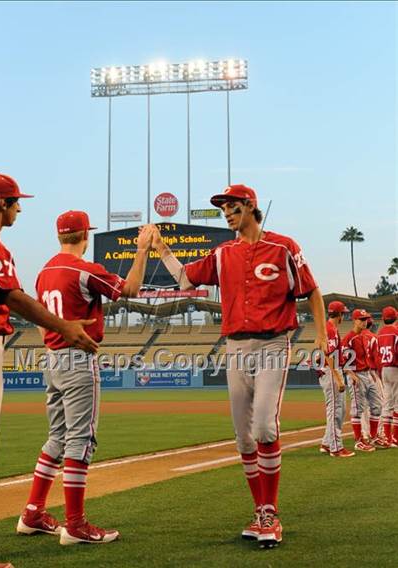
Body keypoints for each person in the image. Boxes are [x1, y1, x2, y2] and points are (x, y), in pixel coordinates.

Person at [151, 184, 327, 549]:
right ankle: (260, 510)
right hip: (235, 347)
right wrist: (162, 249)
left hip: (273, 343)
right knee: (243, 437)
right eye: (223, 209)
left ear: (250, 206)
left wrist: (323, 336)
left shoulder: (284, 247)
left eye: (232, 207)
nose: (227, 213)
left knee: (264, 426)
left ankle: (271, 512)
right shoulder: (222, 253)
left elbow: (311, 290)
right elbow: (186, 279)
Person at [0, 174, 98, 568]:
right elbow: (9, 296)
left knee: (53, 437)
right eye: (14, 202)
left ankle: (34, 513)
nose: (19, 208)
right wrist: (64, 326)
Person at [16, 211, 154, 546]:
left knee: (57, 438)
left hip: (51, 358)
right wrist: (143, 249)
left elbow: (41, 320)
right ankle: (75, 525)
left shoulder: (45, 270)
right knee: (81, 439)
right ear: (84, 235)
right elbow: (132, 288)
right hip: (78, 357)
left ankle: (33, 512)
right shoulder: (84, 269)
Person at [342, 309, 385, 452]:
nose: (364, 322)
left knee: (377, 406)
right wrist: (350, 373)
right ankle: (359, 441)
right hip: (356, 375)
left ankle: (373, 437)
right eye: (361, 319)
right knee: (357, 409)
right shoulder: (349, 338)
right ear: (354, 320)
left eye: (365, 319)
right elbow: (341, 358)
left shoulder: (363, 337)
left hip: (367, 374)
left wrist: (370, 372)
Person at [318, 301, 355, 457]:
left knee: (340, 410)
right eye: (343, 313)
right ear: (339, 314)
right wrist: (339, 379)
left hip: (330, 371)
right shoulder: (330, 329)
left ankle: (327, 443)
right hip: (330, 371)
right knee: (334, 411)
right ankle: (336, 448)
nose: (344, 316)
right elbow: (329, 355)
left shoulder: (330, 328)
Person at [377, 306, 398, 446]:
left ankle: (387, 437)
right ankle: (395, 438)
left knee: (387, 403)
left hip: (384, 369)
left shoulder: (379, 333)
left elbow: (377, 354)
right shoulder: (396, 332)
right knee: (397, 404)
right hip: (395, 368)